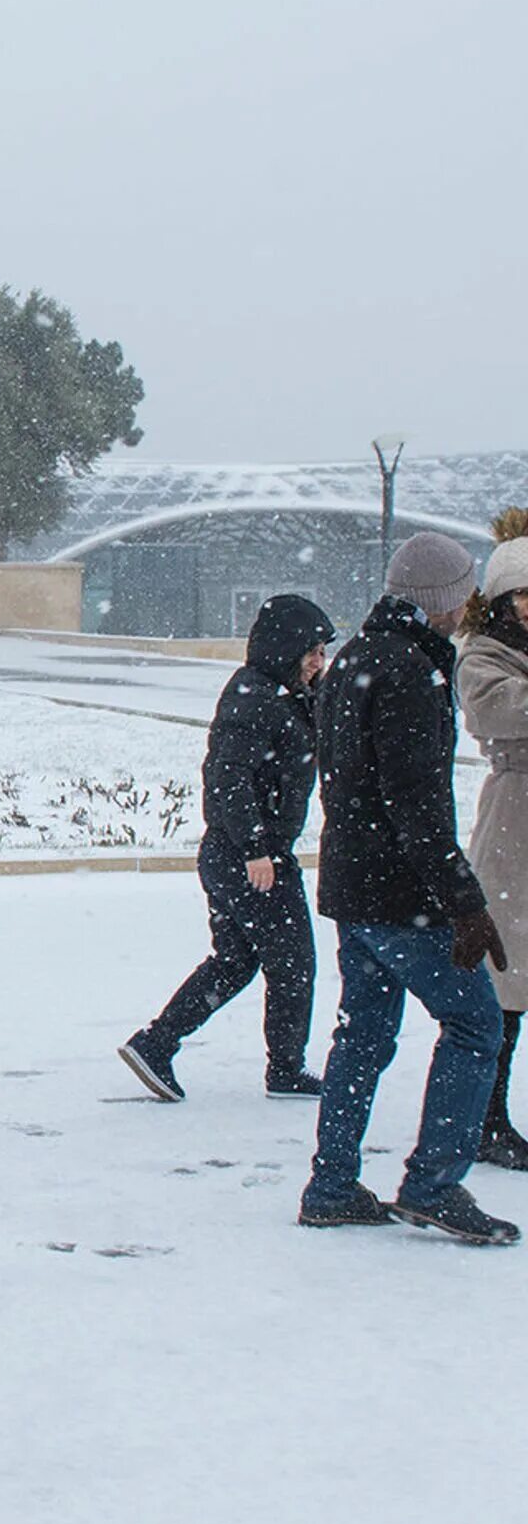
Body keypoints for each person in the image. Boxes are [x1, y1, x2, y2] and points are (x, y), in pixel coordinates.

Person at [297, 532, 516, 1243]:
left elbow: (347, 784)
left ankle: (332, 1183)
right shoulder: (412, 674)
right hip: (401, 896)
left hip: (353, 889)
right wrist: (465, 901)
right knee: (477, 1023)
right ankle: (435, 1182)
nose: (465, 606)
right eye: (461, 592)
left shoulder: (356, 660)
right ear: (442, 598)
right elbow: (417, 806)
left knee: (361, 1032)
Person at [120, 594, 336, 1102]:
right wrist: (255, 847)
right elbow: (226, 777)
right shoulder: (255, 697)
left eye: (323, 652)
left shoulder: (290, 694)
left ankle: (156, 1044)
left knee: (236, 961)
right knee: (293, 961)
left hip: (236, 855)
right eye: (311, 650)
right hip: (248, 859)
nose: (318, 661)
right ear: (285, 647)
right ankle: (284, 1070)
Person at [458, 510, 528, 1170]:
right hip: (515, 824)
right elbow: (502, 711)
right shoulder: (483, 655)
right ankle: (487, 1116)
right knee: (506, 979)